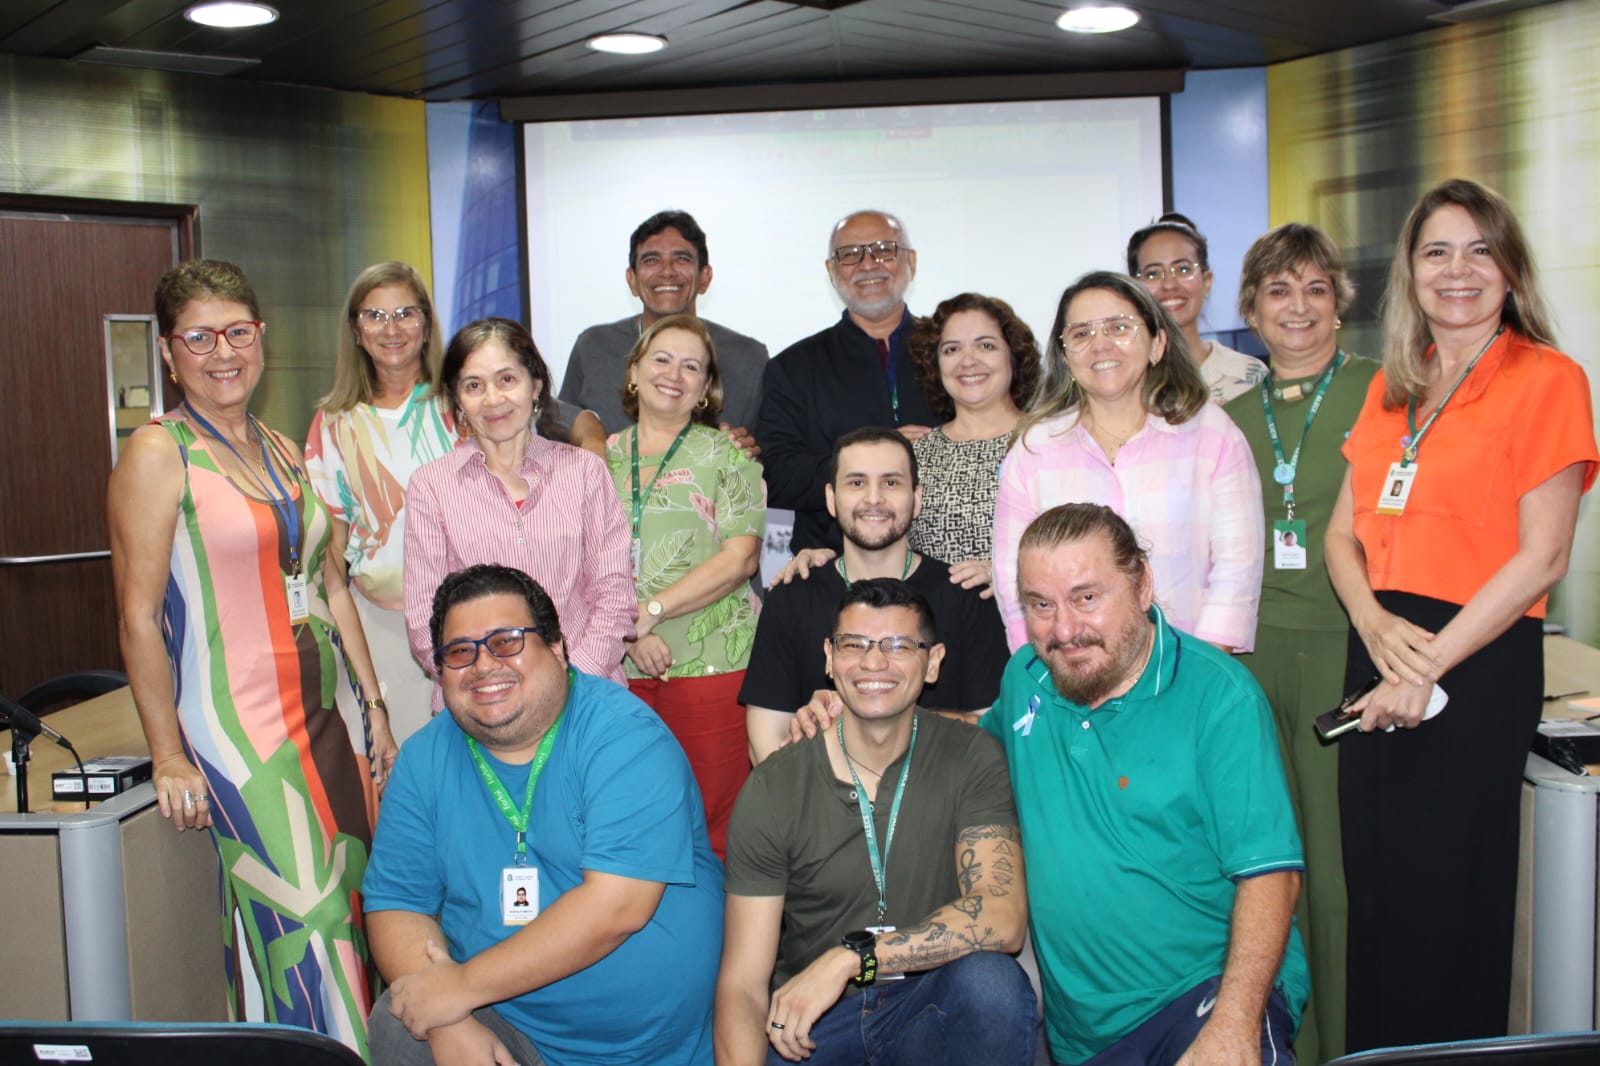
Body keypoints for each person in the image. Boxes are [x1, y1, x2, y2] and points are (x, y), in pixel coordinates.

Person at [1325, 179, 1598, 1052]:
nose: (1459, 270)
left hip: (1470, 661)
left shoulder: (1548, 379)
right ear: (1411, 270)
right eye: (1438, 250)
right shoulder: (1393, 387)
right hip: (1380, 646)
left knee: (1444, 903)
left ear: (1511, 269)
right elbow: (1341, 535)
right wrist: (1372, 629)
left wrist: (1424, 665)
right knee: (1375, 891)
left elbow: (1542, 557)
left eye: (1482, 249)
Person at [107, 258, 395, 1056]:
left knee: (341, 909)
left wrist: (372, 707)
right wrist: (168, 753)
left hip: (324, 716)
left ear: (260, 337)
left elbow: (330, 585)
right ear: (169, 353)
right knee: (313, 917)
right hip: (239, 732)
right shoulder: (157, 453)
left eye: (237, 333)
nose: (221, 352)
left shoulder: (277, 445)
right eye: (197, 337)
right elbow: (135, 618)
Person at [364, 564, 723, 1065]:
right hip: (512, 1038)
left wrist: (461, 988)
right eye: (460, 652)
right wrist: (450, 1021)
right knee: (401, 1025)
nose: (484, 666)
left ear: (557, 648)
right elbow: (396, 903)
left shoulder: (623, 734)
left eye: (507, 641)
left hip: (652, 1053)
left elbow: (618, 908)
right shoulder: (424, 760)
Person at [987, 503, 1307, 1064]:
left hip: (1206, 999)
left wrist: (1234, 1024)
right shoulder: (1028, 677)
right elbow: (969, 745)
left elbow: (1272, 876)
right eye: (1041, 604)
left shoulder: (1219, 697)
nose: (1064, 630)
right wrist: (865, 714)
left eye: (1087, 597)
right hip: (1083, 1037)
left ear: (1141, 585)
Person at [717, 578, 1036, 1066]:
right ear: (828, 656)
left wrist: (852, 959)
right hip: (816, 1022)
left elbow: (1002, 917)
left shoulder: (972, 757)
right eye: (854, 645)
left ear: (933, 662)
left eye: (899, 645)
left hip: (926, 1002)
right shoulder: (774, 786)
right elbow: (742, 983)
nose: (873, 663)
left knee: (992, 984)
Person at [307, 266, 606, 738]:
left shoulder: (461, 397)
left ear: (427, 323)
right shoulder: (336, 423)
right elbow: (332, 556)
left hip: (527, 640)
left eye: (406, 312)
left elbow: (567, 417)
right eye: (376, 315)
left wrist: (594, 445)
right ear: (355, 329)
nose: (392, 327)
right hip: (412, 633)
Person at [1223, 222, 1378, 1064]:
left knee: (1335, 863)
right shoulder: (1228, 417)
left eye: (1317, 289)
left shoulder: (1386, 392)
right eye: (1280, 290)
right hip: (1247, 655)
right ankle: (1272, 1031)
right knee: (1264, 860)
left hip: (1342, 645)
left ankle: (1340, 1042)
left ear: (1339, 304)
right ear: (1250, 307)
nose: (1300, 307)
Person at [992, 270, 1263, 655]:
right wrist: (1038, 664)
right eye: (1081, 333)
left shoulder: (1211, 434)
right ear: (1065, 355)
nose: (1100, 345)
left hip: (1186, 668)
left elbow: (1237, 569)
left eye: (1119, 327)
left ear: (1157, 344)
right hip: (1069, 670)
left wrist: (1197, 678)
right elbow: (1011, 576)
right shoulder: (1034, 448)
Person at [741, 428, 1009, 763]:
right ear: (830, 498)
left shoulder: (966, 597)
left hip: (941, 807)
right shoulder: (792, 597)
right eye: (856, 483)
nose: (873, 498)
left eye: (891, 482)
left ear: (917, 499)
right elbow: (765, 744)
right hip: (821, 808)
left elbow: (992, 736)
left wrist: (858, 723)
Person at [606, 314, 766, 858]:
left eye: (691, 366)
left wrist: (650, 610)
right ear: (634, 371)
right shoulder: (593, 462)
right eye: (662, 358)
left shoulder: (728, 456)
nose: (675, 373)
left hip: (711, 663)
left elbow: (740, 558)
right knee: (631, 813)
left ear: (706, 388)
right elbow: (582, 562)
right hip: (614, 667)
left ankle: (723, 941)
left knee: (712, 819)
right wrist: (630, 632)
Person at [404, 318, 634, 692]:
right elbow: (424, 620)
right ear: (457, 400)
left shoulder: (584, 472)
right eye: (474, 386)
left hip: (586, 692)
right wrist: (493, 687)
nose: (493, 399)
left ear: (536, 386)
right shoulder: (431, 487)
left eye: (507, 379)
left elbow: (614, 594)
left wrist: (569, 680)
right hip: (483, 700)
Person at [757, 210, 937, 551]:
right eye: (850, 254)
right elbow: (775, 476)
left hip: (947, 567)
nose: (868, 264)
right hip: (834, 568)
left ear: (910, 261)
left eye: (884, 249)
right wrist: (869, 460)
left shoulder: (952, 353)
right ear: (832, 270)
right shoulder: (793, 367)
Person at [561, 209, 768, 433]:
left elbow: (769, 447)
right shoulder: (594, 346)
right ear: (632, 280)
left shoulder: (749, 358)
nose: (667, 271)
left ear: (704, 278)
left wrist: (751, 452)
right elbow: (555, 423)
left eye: (681, 259)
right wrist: (589, 435)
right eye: (651, 260)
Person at [1128, 212, 1268, 403]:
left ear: (1207, 281)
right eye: (1152, 274)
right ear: (1134, 288)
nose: (1169, 284)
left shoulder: (1249, 376)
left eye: (1183, 269)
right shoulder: (1124, 381)